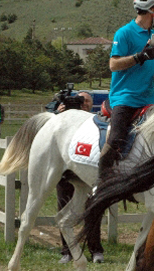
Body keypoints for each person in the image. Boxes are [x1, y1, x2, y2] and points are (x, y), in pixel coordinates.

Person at [98, 0, 154, 180]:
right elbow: (113, 65)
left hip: (149, 100)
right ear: (151, 10)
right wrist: (139, 57)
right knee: (116, 138)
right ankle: (100, 184)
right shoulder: (124, 33)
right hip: (125, 98)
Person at [54, 91, 104, 264]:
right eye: (81, 100)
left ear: (92, 103)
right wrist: (58, 116)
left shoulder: (96, 121)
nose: (84, 103)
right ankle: (67, 252)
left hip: (87, 172)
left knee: (93, 210)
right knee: (64, 207)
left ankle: (95, 250)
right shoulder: (62, 120)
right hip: (65, 172)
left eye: (87, 101)